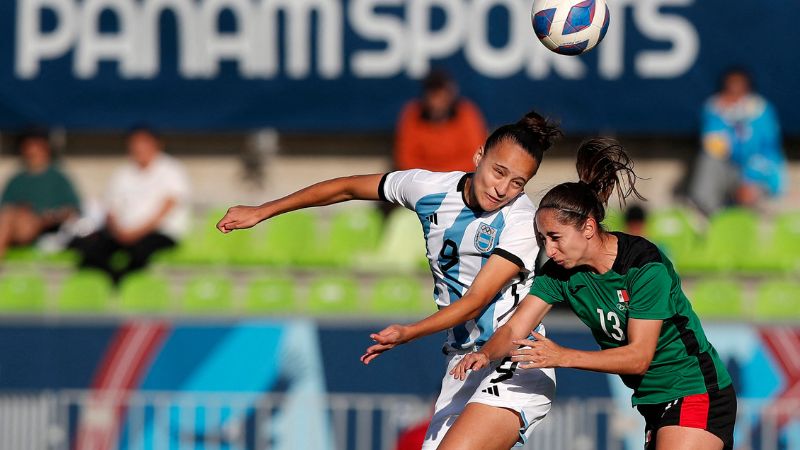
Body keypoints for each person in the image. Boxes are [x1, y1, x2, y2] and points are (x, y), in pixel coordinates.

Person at [217, 110, 562, 450]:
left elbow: (476, 300)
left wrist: (408, 332)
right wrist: (263, 210)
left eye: (517, 182)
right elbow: (347, 188)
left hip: (515, 358)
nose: (503, 188)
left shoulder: (520, 222)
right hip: (462, 364)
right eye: (498, 171)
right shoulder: (428, 187)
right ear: (478, 156)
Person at [453, 138, 737, 450]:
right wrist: (485, 353)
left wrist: (562, 356)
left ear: (588, 228)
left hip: (695, 389)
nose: (549, 249)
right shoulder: (560, 274)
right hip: (653, 402)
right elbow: (514, 329)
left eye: (555, 237)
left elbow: (638, 358)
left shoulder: (643, 266)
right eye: (542, 239)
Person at [74, 128, 190, 283]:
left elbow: (167, 207)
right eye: (134, 143)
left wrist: (136, 233)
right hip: (123, 233)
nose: (139, 148)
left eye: (144, 143)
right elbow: (111, 208)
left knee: (140, 253)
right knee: (90, 251)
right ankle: (109, 287)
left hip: (159, 232)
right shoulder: (123, 173)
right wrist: (118, 231)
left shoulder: (171, 170)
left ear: (157, 144)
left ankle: (126, 291)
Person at [688, 67, 786, 215]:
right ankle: (712, 219)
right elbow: (713, 146)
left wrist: (749, 179)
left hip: (759, 173)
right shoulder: (713, 109)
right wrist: (723, 114)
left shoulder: (762, 111)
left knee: (751, 191)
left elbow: (768, 152)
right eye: (730, 89)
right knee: (708, 161)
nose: (735, 95)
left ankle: (750, 224)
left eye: (739, 89)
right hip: (728, 171)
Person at [0, 130, 81, 259]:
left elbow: (74, 210)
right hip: (16, 226)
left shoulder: (58, 178)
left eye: (36, 147)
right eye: (28, 148)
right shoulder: (16, 180)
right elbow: (5, 209)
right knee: (9, 216)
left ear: (45, 149)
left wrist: (50, 217)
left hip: (47, 231)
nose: (32, 152)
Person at [394, 69, 487, 173]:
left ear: (451, 95)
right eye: (432, 95)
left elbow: (475, 157)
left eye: (440, 95)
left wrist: (445, 177)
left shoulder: (466, 113)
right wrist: (432, 178)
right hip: (422, 183)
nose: (436, 102)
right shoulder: (412, 114)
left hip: (460, 180)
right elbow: (405, 159)